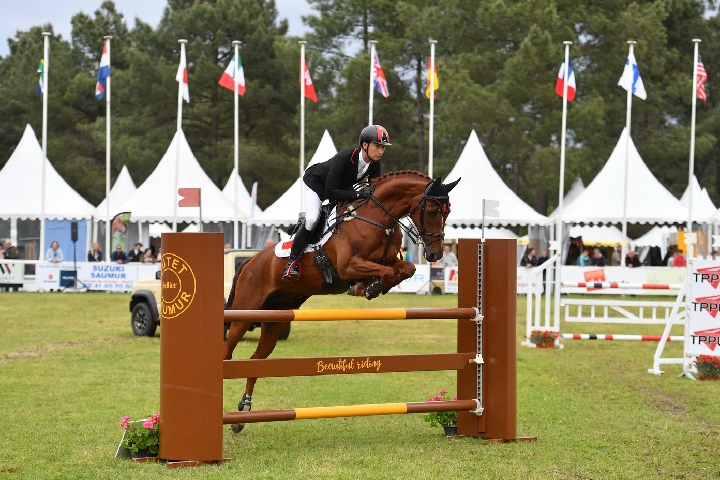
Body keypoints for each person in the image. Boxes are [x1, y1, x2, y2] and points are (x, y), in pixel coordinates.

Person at [282, 125, 390, 280]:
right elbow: (330, 192)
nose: (381, 151)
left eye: (383, 147)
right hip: (316, 185)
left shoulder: (374, 163)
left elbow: (375, 188)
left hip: (339, 188)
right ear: (365, 145)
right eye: (377, 146)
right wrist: (359, 193)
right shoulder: (344, 158)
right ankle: (292, 262)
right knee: (312, 218)